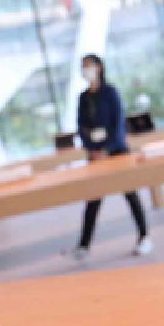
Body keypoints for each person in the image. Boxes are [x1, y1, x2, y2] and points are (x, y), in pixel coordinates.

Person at [64, 54, 152, 262]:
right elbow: (81, 127)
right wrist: (93, 150)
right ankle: (83, 246)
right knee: (93, 199)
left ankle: (144, 237)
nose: (85, 70)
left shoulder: (110, 92)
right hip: (95, 155)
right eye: (83, 66)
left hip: (116, 151)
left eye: (88, 65)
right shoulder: (83, 98)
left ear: (99, 67)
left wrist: (107, 149)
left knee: (130, 193)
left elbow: (118, 124)